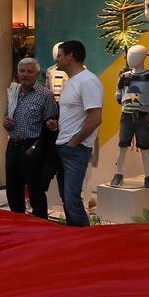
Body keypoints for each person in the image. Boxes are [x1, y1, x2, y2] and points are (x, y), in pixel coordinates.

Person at [53, 40, 104, 227]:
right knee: (67, 199)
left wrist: (74, 143)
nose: (56, 59)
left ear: (70, 56)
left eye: (59, 55)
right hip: (64, 146)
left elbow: (95, 118)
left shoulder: (88, 81)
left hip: (75, 149)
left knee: (73, 200)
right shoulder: (71, 82)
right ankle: (73, 237)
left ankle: (85, 241)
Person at [2, 57, 59, 219]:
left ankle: (41, 227)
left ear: (37, 74)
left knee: (35, 191)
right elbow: (6, 118)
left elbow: (51, 129)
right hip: (13, 146)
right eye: (22, 71)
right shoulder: (14, 92)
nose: (25, 74)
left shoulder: (45, 95)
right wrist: (5, 123)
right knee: (13, 189)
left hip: (32, 148)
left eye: (29, 71)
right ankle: (17, 224)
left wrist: (35, 147)